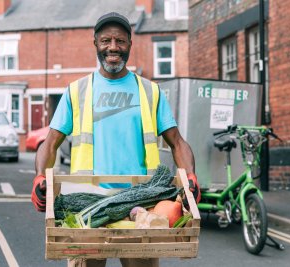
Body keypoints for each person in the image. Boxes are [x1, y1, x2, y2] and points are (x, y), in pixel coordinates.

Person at [31, 12, 201, 267]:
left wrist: (190, 176)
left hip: (141, 205)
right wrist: (40, 176)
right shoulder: (77, 91)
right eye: (106, 40)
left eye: (120, 41)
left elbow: (177, 142)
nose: (113, 47)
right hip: (87, 203)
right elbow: (51, 143)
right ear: (96, 44)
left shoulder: (150, 91)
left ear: (130, 44)